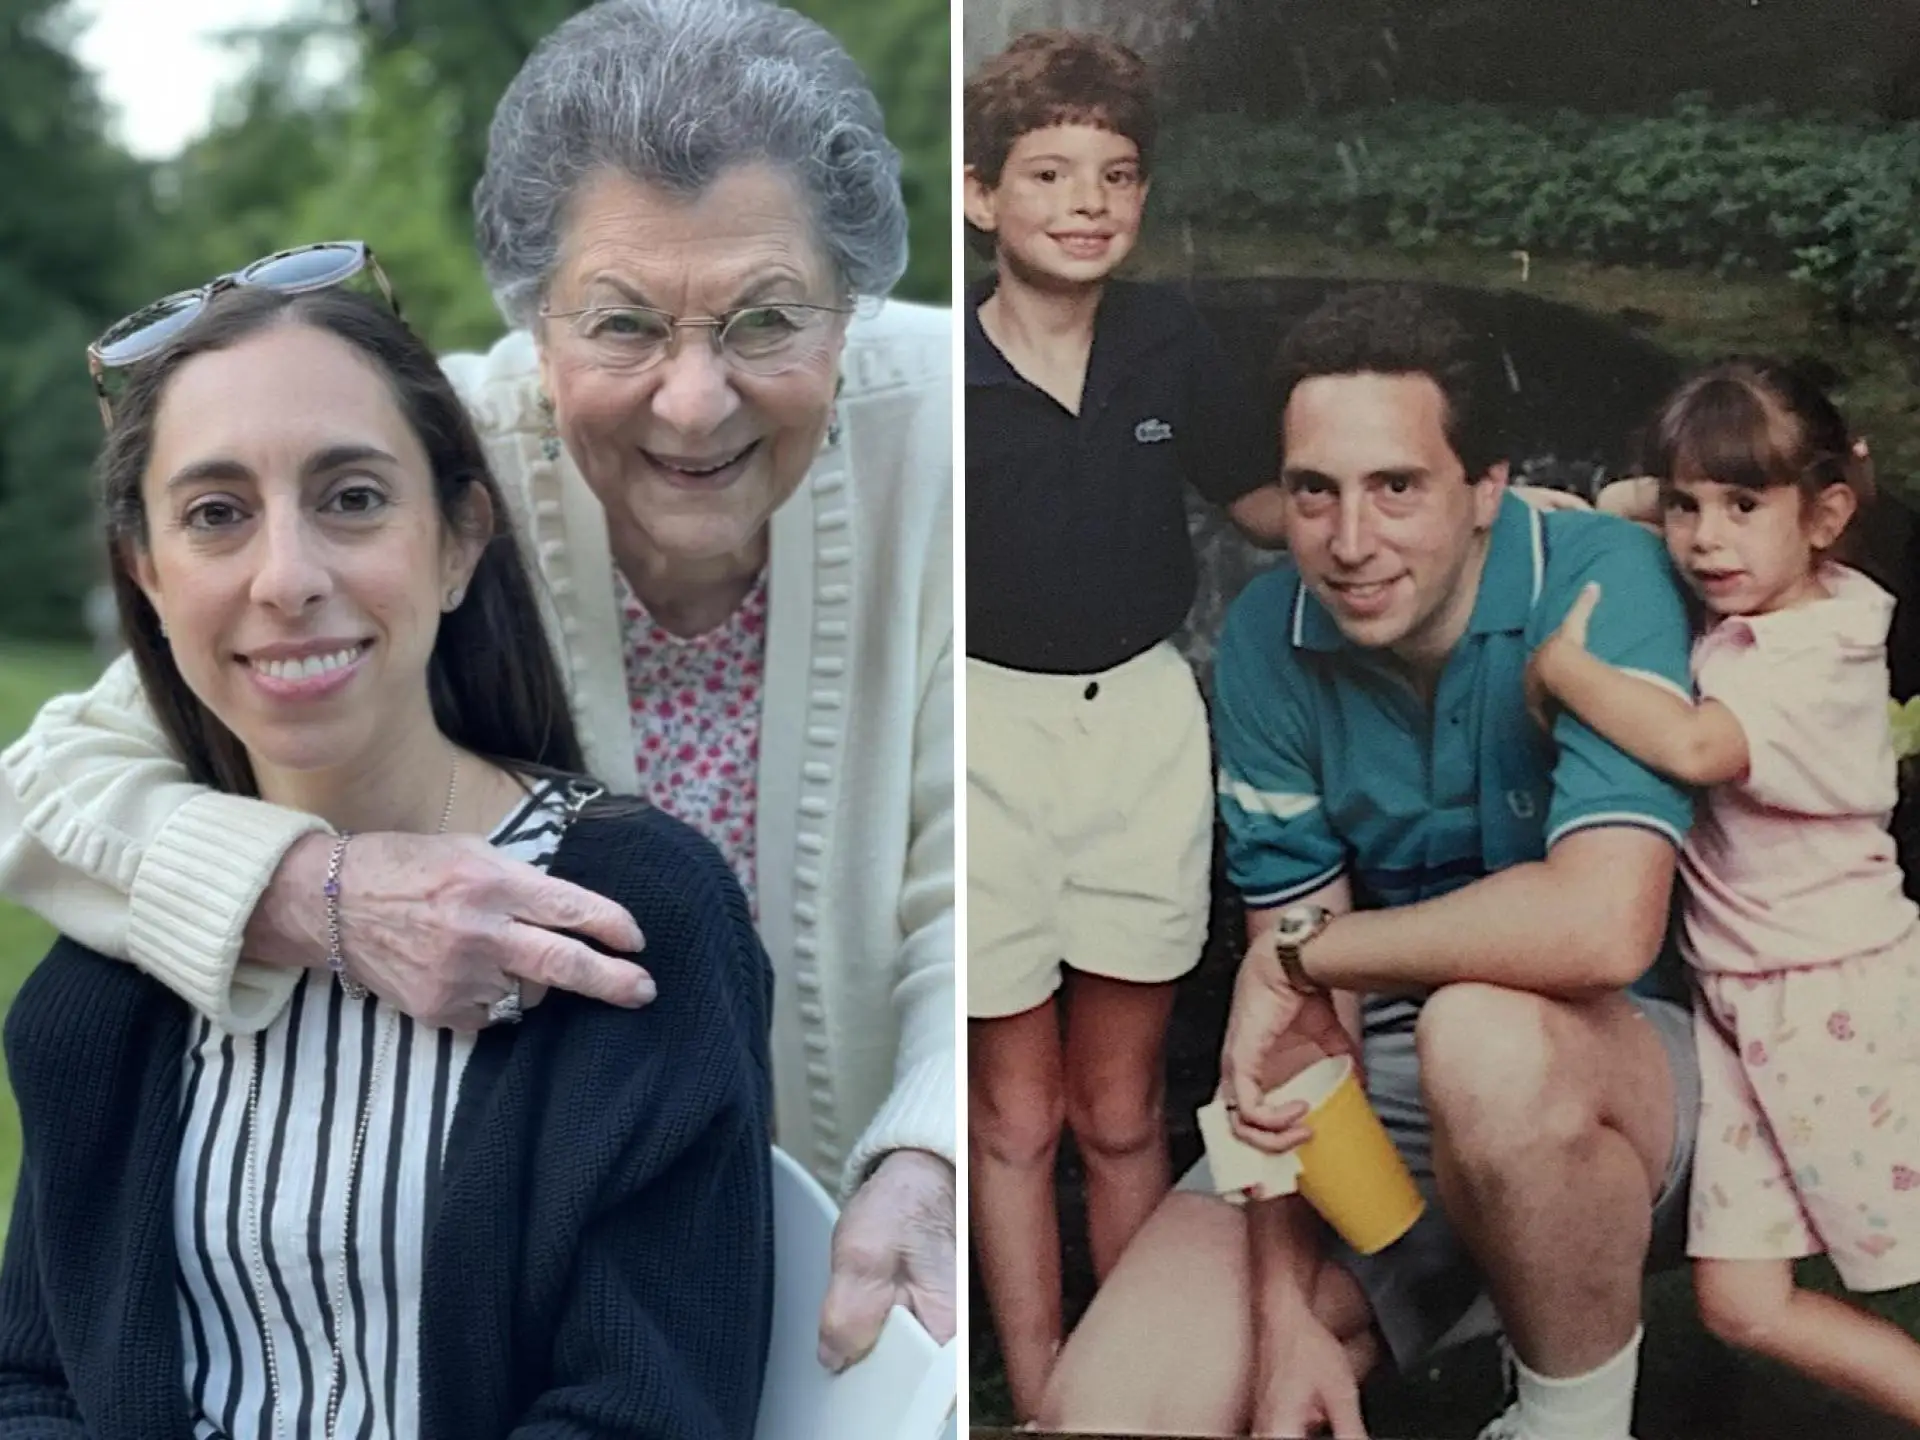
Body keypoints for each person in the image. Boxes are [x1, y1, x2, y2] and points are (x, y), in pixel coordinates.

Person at [0, 0, 951, 1366]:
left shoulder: (943, 436)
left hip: (867, 1303)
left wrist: (927, 1146)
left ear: (848, 302)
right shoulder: (414, 475)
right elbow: (49, 789)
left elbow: (966, 855)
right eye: (620, 324)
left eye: (765, 319)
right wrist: (312, 894)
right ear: (530, 315)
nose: (696, 400)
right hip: (563, 1307)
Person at [0, 282, 772, 1438]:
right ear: (148, 580)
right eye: (215, 514)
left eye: (351, 498)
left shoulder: (624, 915)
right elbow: (34, 1383)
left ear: (460, 542)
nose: (286, 578)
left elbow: (642, 1412)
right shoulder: (112, 976)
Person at [1038, 284, 1701, 1440]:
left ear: (1487, 484)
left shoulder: (1599, 579)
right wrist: (1286, 1311)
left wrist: (1310, 956)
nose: (1350, 543)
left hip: (1636, 1066)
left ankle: (1566, 1421)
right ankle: (1417, 1297)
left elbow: (1604, 928)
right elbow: (1295, 1036)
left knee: (1483, 1037)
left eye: (1397, 486)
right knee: (1113, 1411)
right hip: (1396, 1085)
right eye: (1314, 492)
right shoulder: (1265, 637)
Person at [959, 30, 1288, 1422]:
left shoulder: (1167, 340)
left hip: (1142, 729)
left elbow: (1266, 502)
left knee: (1117, 1104)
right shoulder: (941, 381)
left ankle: (1146, 1392)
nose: (1090, 201)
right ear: (982, 198)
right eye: (1050, 172)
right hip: (984, 745)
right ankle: (1038, 1393)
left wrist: (1442, 521)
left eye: (1118, 173)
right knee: (1014, 1116)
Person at [1529, 359, 1920, 1426]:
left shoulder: (1825, 648)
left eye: (1744, 508)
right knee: (1741, 1302)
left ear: (1829, 512)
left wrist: (1567, 670)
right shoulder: (1764, 591)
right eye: (1687, 507)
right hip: (1742, 1005)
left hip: (1835, 997)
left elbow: (1698, 746)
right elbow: (1653, 501)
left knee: (1902, 1231)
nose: (1704, 540)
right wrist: (1612, 505)